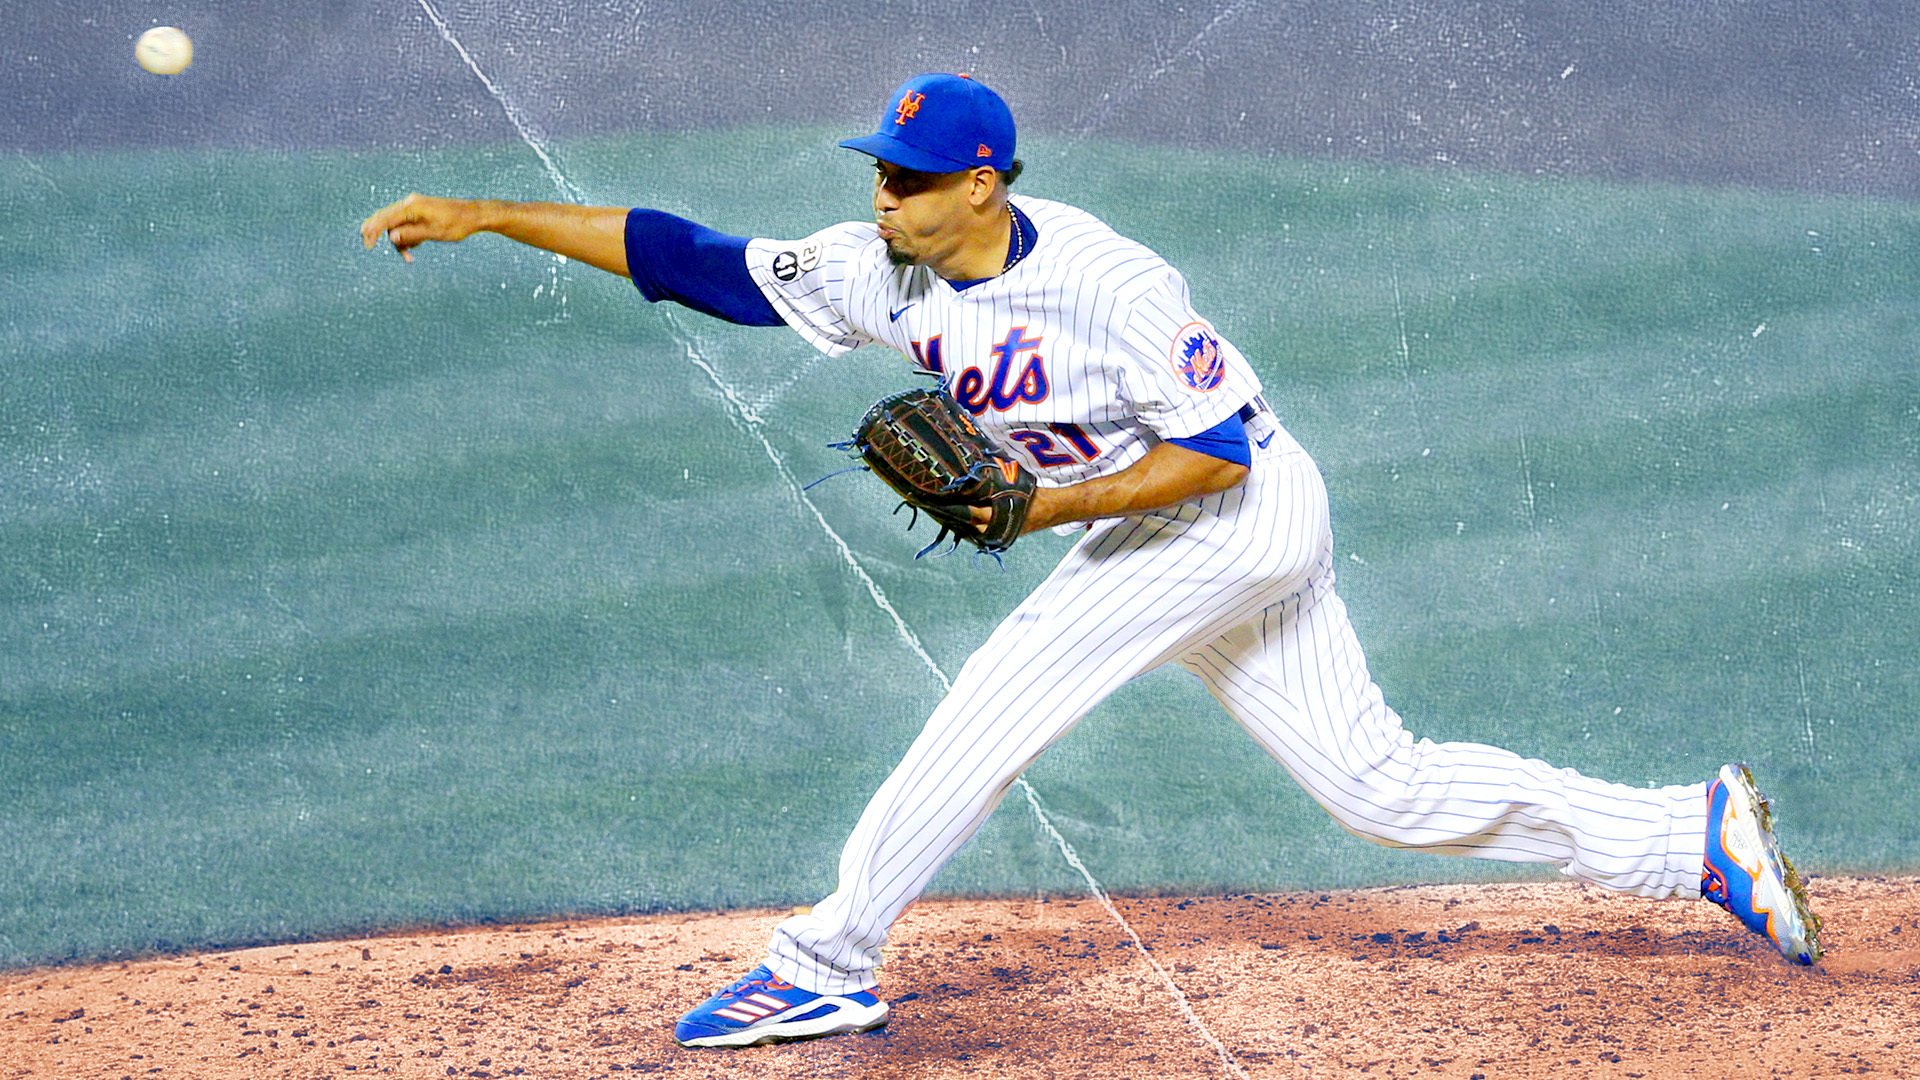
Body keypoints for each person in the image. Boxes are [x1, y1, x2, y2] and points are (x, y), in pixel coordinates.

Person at [360, 72, 1822, 1049]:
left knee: (993, 704)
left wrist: (1046, 511)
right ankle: (1685, 837)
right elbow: (699, 262)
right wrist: (495, 217)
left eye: (910, 180)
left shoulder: (1107, 283)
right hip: (1163, 524)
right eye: (879, 174)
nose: (884, 199)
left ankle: (824, 964)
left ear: (984, 182)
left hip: (1234, 514)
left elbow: (1221, 453)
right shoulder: (886, 269)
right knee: (1377, 787)